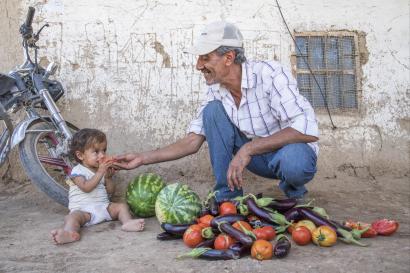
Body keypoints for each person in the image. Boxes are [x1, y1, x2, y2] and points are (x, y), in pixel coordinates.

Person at [115, 21, 319, 202]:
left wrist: (248, 149)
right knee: (212, 111)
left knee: (293, 162)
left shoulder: (270, 74)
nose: (198, 66)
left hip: (290, 154)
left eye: (205, 58)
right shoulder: (215, 90)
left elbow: (306, 130)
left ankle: (292, 185)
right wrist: (142, 158)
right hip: (257, 160)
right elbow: (192, 141)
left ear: (229, 57)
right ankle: (227, 197)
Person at [51, 128, 144, 245]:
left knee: (122, 206)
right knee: (71, 218)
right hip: (84, 211)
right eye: (96, 152)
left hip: (104, 208)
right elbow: (86, 187)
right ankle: (69, 233)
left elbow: (110, 192)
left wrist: (108, 178)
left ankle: (127, 222)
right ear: (80, 155)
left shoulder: (102, 170)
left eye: (104, 151)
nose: (102, 155)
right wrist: (100, 173)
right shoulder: (77, 171)